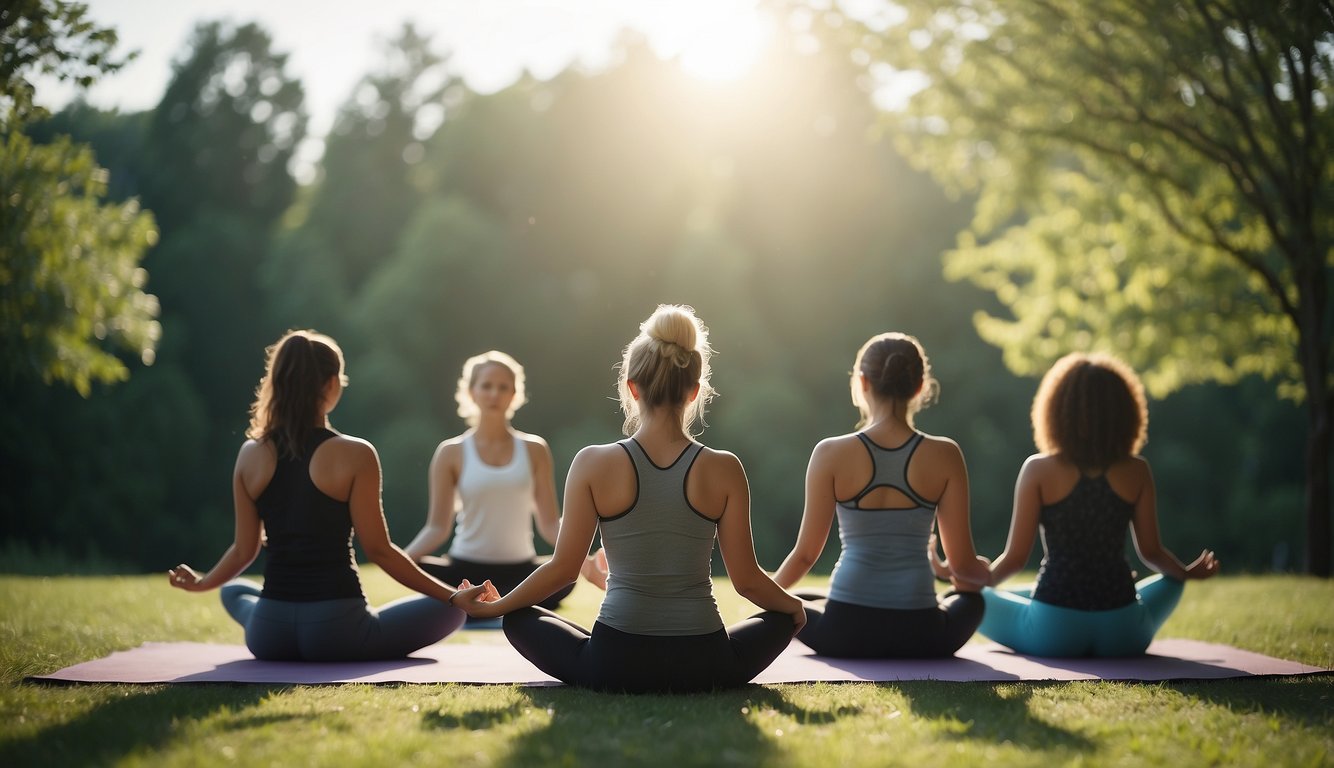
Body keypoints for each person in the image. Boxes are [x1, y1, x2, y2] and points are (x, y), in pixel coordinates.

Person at [452, 305, 806, 693]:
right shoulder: (725, 468)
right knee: (780, 618)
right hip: (707, 663)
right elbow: (748, 581)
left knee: (519, 619)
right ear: (694, 391)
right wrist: (792, 608)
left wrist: (497, 607)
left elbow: (563, 570)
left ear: (632, 387)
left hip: (613, 662)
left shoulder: (592, 462)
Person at [168, 330, 490, 661]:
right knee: (450, 612)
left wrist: (202, 583)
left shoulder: (250, 453)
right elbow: (380, 551)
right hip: (339, 631)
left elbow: (242, 552)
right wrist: (453, 597)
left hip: (268, 632)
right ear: (331, 384)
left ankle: (260, 613)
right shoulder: (355, 453)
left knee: (233, 590)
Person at [971, 352, 1220, 657]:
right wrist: (1185, 573)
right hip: (1124, 632)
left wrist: (979, 583)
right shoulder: (1137, 470)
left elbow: (1015, 560)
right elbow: (1152, 553)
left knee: (975, 598)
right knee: (1173, 582)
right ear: (1126, 414)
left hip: (1053, 631)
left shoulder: (1037, 470)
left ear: (1056, 411)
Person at [773, 332, 990, 658]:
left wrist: (766, 596)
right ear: (919, 387)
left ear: (862, 383)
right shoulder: (946, 454)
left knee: (792, 602)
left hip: (843, 632)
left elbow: (804, 556)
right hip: (923, 635)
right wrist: (963, 569)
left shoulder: (830, 453)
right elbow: (965, 570)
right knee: (973, 602)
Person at [403, 351, 602, 610]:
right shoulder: (450, 452)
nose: (494, 394)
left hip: (521, 572)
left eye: (503, 387)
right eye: (486, 386)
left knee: (565, 575)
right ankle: (494, 603)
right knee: (418, 568)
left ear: (514, 395)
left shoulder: (535, 449)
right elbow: (437, 527)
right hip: (463, 573)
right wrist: (401, 561)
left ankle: (495, 604)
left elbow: (550, 524)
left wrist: (585, 565)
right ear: (472, 392)